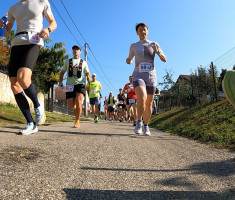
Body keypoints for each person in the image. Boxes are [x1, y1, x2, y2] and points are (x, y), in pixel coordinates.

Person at [0, 0, 57, 135]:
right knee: (14, 84)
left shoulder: (42, 2)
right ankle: (30, 123)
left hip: (34, 40)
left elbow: (53, 23)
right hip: (16, 43)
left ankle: (37, 106)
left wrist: (48, 29)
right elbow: (6, 32)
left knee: (23, 78)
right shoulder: (13, 8)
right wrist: (2, 26)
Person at [126, 23, 167, 136]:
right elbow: (130, 58)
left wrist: (157, 52)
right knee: (142, 97)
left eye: (144, 30)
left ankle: (146, 125)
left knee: (149, 103)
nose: (142, 32)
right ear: (137, 33)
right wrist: (128, 60)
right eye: (140, 30)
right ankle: (139, 122)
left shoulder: (154, 44)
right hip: (138, 75)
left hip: (151, 76)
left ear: (147, 31)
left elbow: (164, 59)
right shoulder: (134, 46)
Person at [59, 45, 90, 128]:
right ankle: (75, 108)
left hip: (80, 84)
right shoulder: (67, 62)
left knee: (79, 101)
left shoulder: (84, 62)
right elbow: (62, 73)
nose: (75, 51)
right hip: (69, 84)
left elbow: (87, 73)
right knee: (71, 106)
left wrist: (89, 82)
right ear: (72, 52)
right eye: (74, 49)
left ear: (80, 52)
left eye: (77, 49)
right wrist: (60, 82)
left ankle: (77, 121)